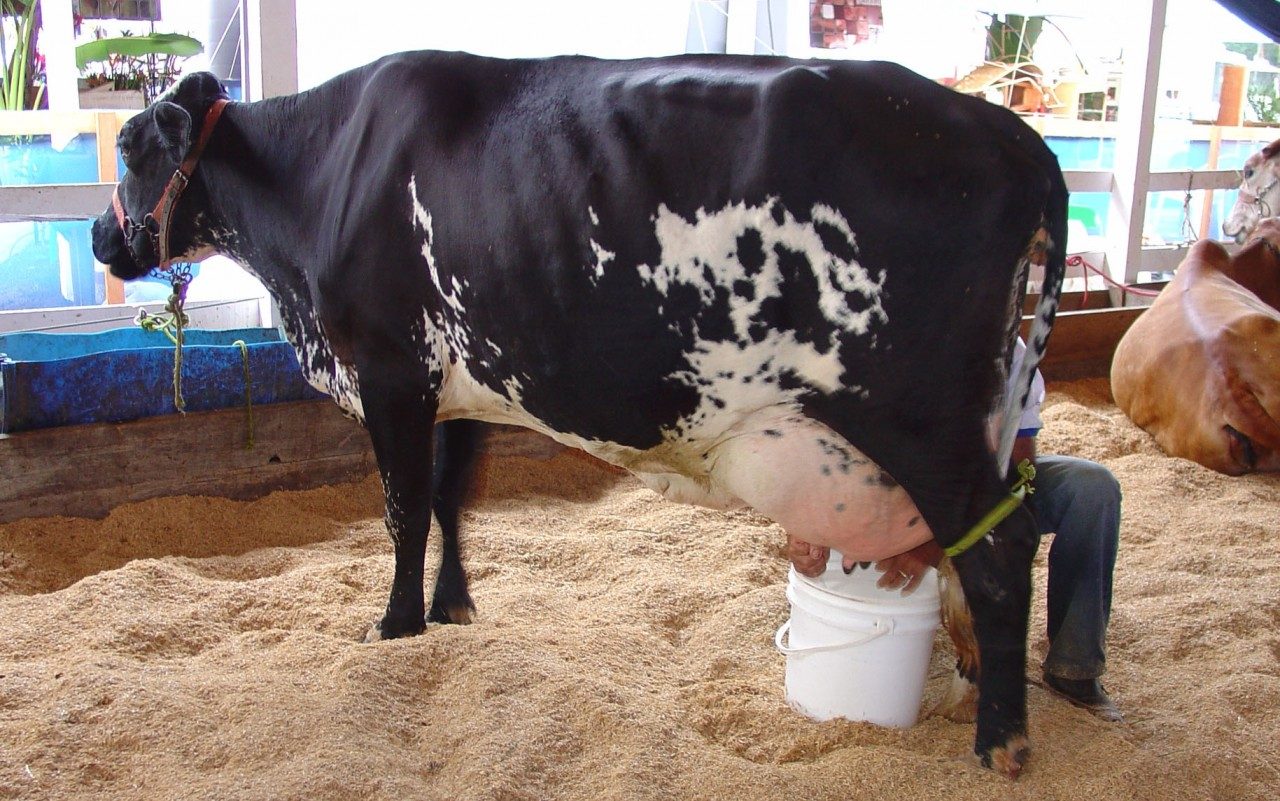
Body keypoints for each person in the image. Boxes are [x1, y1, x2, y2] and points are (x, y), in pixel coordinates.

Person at [787, 340, 1123, 722]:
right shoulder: (868, 338)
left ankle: (1074, 668)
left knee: (1091, 489)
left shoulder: (1004, 345)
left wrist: (941, 538)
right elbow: (823, 461)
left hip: (980, 489)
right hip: (889, 493)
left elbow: (1018, 472)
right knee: (849, 572)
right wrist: (806, 537)